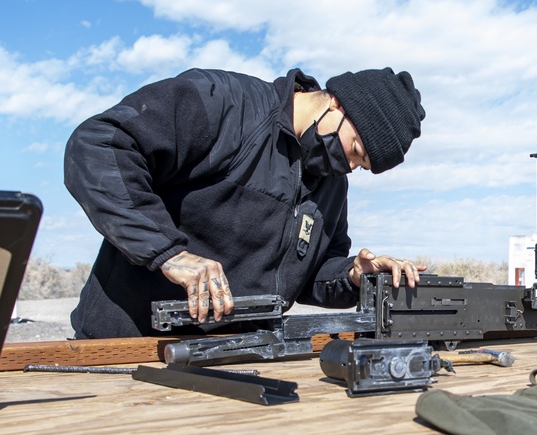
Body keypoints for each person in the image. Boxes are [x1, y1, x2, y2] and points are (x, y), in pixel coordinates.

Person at [64, 66, 425, 339]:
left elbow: (310, 274)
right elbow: (100, 145)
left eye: (361, 166)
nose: (348, 166)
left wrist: (353, 275)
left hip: (237, 365)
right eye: (356, 150)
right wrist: (168, 253)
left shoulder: (332, 185)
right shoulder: (225, 104)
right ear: (338, 104)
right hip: (125, 348)